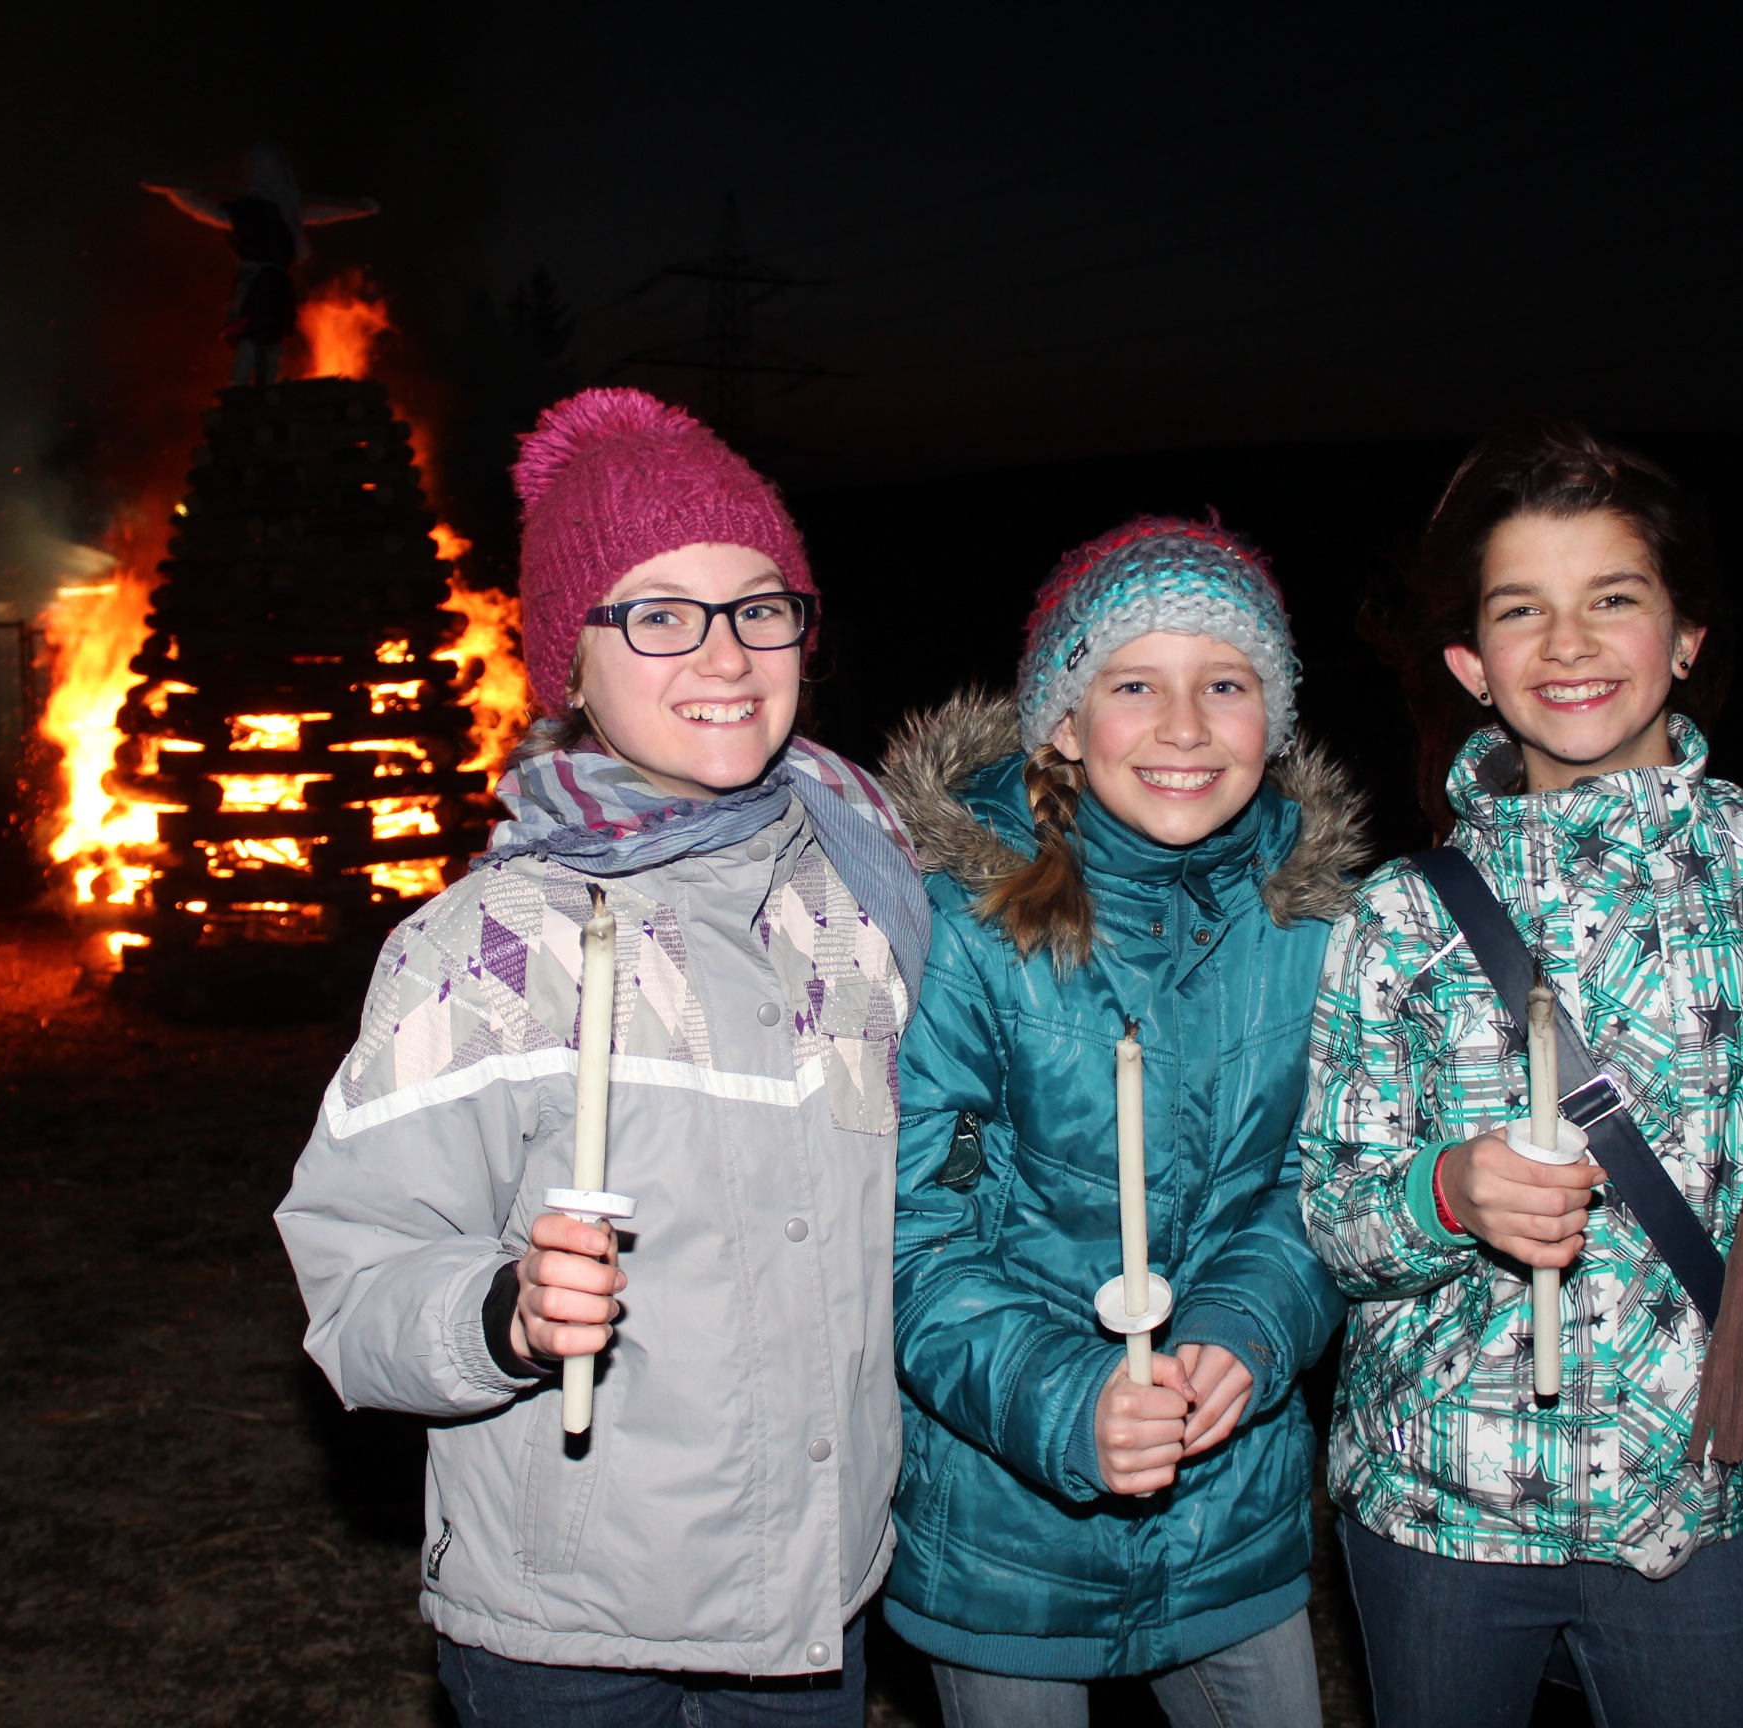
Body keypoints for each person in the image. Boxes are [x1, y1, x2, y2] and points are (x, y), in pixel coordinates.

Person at [1299, 417, 1743, 1728]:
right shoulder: (1400, 916)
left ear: (1686, 637)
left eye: (1613, 598)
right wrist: (1448, 1195)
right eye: (1521, 610)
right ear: (1472, 664)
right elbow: (1335, 1213)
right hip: (1438, 1506)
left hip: (1707, 1507)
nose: (1568, 644)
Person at [274, 387, 930, 1726]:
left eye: (758, 607)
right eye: (659, 615)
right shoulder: (490, 947)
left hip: (817, 1595)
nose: (725, 655)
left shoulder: (867, 893)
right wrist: (502, 1315)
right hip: (568, 1619)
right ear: (568, 666)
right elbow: (356, 1273)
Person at [878, 518, 1366, 1727]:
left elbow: (1323, 1178)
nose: (1185, 727)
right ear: (1061, 722)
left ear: (1276, 720)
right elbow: (910, 1237)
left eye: (1227, 685)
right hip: (1005, 1526)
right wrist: (1064, 1400)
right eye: (1135, 684)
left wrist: (1249, 1326)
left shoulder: (1311, 929)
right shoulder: (966, 931)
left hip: (1230, 1509)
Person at [142, 143, 379, 385]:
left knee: (269, 335)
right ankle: (241, 387)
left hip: (274, 283)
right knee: (249, 332)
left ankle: (265, 387)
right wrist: (177, 193)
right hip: (256, 281)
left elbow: (320, 214)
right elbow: (207, 210)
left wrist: (358, 209)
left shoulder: (287, 209)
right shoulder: (249, 208)